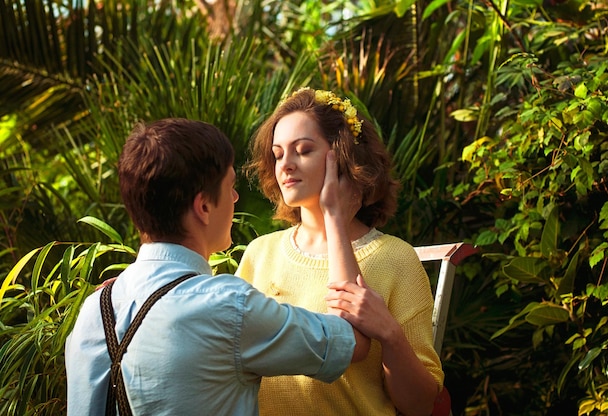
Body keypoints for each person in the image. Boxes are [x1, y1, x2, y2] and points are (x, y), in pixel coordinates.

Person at [64, 117, 376, 416]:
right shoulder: (227, 306)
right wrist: (334, 214)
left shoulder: (93, 311)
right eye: (230, 187)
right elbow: (351, 341)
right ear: (203, 207)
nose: (236, 197)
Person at [237, 88, 444, 416]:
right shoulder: (259, 254)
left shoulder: (395, 258)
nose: (285, 165)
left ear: (344, 156)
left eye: (303, 150)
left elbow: (419, 405)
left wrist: (390, 335)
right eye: (277, 154)